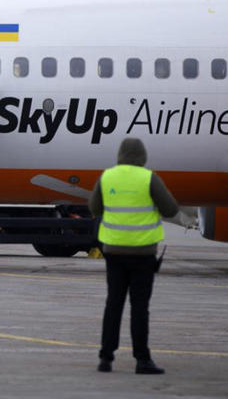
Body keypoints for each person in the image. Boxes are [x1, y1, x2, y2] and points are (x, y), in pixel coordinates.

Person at [88, 137, 178, 374]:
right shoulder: (149, 178)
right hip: (142, 252)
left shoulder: (107, 176)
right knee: (139, 307)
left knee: (113, 304)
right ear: (143, 156)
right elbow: (171, 209)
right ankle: (142, 359)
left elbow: (94, 208)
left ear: (120, 155)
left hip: (114, 251)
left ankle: (106, 358)